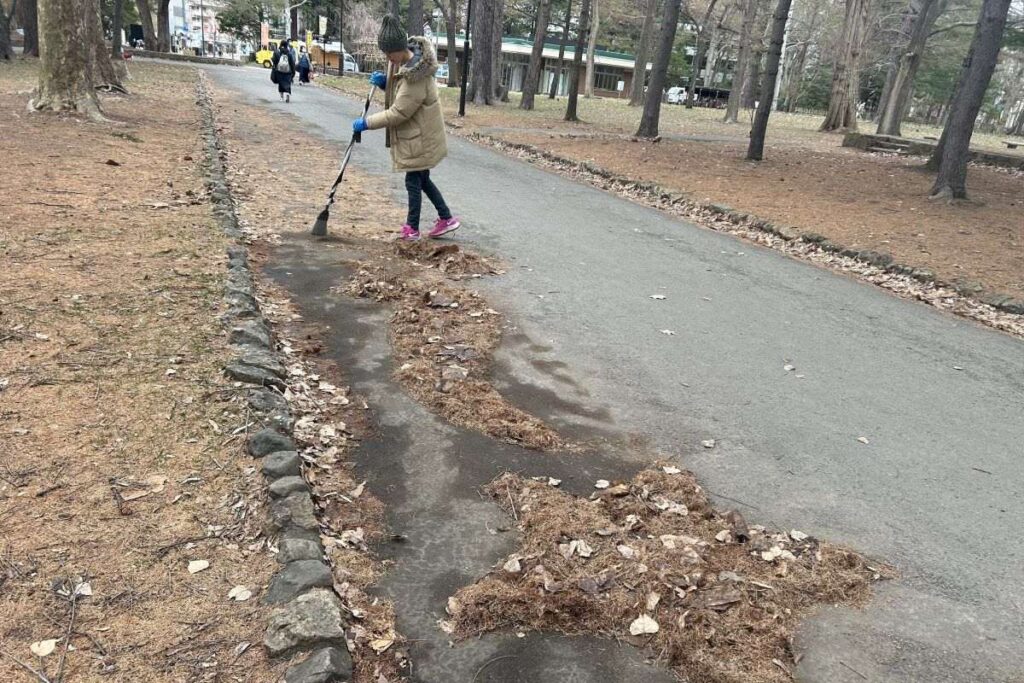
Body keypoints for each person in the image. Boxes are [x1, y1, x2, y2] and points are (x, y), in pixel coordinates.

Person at [351, 15, 459, 241]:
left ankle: (412, 228)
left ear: (401, 48)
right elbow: (400, 91)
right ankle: (446, 218)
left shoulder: (415, 76)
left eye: (389, 53)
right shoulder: (403, 64)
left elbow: (399, 112)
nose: (388, 58)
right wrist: (385, 84)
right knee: (422, 180)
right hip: (418, 135)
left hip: (420, 137)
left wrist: (367, 123)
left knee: (413, 181)